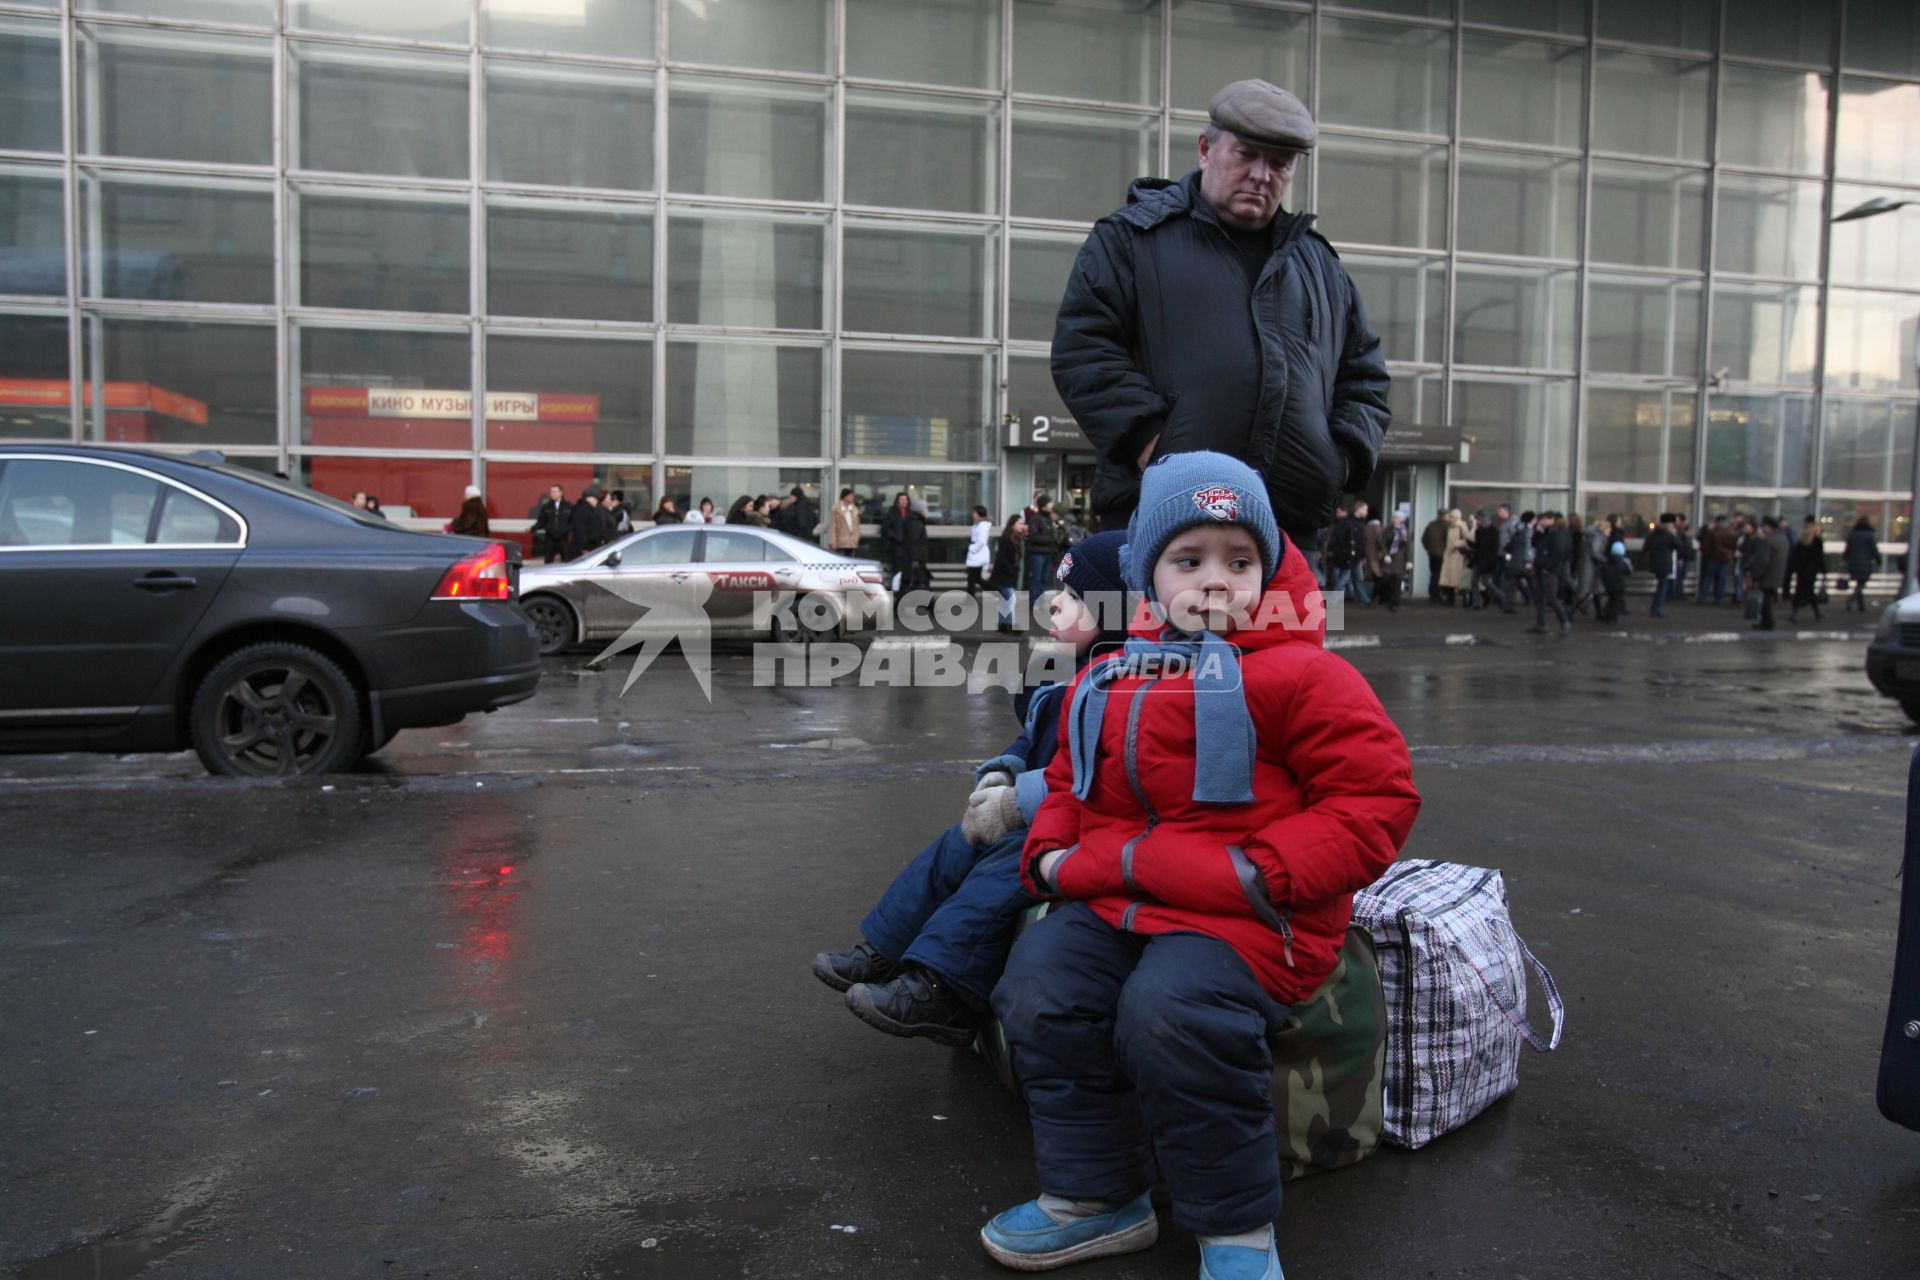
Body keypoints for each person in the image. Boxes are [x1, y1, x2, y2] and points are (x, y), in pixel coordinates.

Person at [983, 451, 1418, 1280]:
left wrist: (1267, 874)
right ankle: (1098, 1199)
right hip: (1122, 896)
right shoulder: (1110, 676)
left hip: (1250, 915)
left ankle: (1237, 1234)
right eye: (1190, 560)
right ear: (1150, 576)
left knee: (1174, 1010)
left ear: (1269, 570)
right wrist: (1047, 858)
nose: (1216, 581)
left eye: (1240, 560)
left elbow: (1375, 801)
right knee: (1039, 982)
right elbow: (1075, 782)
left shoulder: (1305, 676)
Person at [814, 534, 1132, 1044]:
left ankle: (943, 988)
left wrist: (1016, 803)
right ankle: (887, 950)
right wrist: (1003, 770)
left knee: (1008, 864)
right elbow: (1031, 740)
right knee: (956, 845)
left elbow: (1099, 777)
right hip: (1046, 809)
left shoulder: (1122, 691)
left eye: (1074, 596)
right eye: (1060, 589)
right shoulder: (1063, 672)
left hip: (1084, 827)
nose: (1054, 601)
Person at [1050, 79, 1390, 556]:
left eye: (1279, 163)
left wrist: (1341, 462)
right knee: (1150, 636)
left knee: (1282, 636)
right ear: (1206, 148)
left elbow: (1365, 375)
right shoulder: (1131, 240)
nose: (1261, 174)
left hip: (1287, 536)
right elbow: (1083, 350)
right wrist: (1154, 444)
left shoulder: (1321, 266)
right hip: (1159, 526)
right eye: (1246, 154)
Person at [1527, 511, 1571, 635]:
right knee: (1539, 598)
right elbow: (1534, 544)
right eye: (1541, 520)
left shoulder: (1557, 534)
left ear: (1552, 520)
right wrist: (1537, 531)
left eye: (1544, 520)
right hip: (1539, 568)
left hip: (1549, 570)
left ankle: (1564, 622)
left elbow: (1558, 553)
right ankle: (1541, 624)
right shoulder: (1545, 532)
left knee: (1552, 598)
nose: (1541, 522)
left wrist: (1549, 568)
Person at [1747, 515, 1790, 631]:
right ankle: (1767, 621)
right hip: (1778, 573)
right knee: (1768, 598)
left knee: (1765, 600)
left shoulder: (1767, 540)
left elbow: (1761, 560)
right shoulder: (1783, 539)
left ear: (1767, 526)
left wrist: (1754, 576)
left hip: (1767, 574)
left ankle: (1767, 622)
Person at [988, 514, 1026, 632]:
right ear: (1012, 524)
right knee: (1011, 600)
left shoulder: (1018, 538)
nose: (1022, 526)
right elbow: (1001, 558)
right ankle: (1013, 625)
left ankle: (1002, 625)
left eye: (1022, 523)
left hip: (1010, 574)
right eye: (1020, 523)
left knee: (1004, 601)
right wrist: (1010, 569)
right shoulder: (1006, 538)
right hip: (1004, 575)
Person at [1788, 515, 1827, 624]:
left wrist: (1794, 568)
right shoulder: (1817, 541)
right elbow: (1820, 557)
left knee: (1801, 591)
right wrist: (1823, 571)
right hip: (1811, 570)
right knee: (1809, 591)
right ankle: (1815, 613)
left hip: (1802, 569)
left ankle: (1796, 613)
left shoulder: (1803, 539)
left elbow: (1796, 555)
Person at [1643, 514, 1679, 618]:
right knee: (1662, 587)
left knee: (1660, 585)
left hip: (1654, 562)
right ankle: (1656, 609)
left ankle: (1655, 607)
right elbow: (1679, 545)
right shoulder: (1669, 536)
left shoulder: (1652, 535)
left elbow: (1646, 547)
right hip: (1665, 563)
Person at [1026, 496, 1058, 606]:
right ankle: (1034, 601)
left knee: (1044, 579)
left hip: (1048, 553)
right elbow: (1033, 537)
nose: (1052, 505)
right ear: (1044, 505)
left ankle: (1040, 601)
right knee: (1036, 578)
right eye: (1050, 503)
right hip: (1037, 554)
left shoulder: (1049, 519)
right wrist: (1050, 539)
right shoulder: (1035, 519)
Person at [1844, 516, 1882, 612]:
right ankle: (1851, 599)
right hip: (1865, 562)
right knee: (1861, 583)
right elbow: (1873, 549)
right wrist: (1878, 560)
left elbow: (1847, 549)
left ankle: (1861, 605)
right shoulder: (1869, 535)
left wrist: (1845, 560)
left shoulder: (1852, 534)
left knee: (1859, 583)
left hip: (1853, 562)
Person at [1697, 514, 1736, 604]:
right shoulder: (1731, 533)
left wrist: (1708, 555)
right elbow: (1733, 546)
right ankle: (1719, 598)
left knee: (1708, 578)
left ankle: (1702, 597)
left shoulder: (1712, 533)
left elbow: (1705, 546)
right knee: (1722, 579)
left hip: (1712, 558)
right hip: (1725, 559)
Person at [881, 492, 914, 590]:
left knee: (907, 569)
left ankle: (906, 589)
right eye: (901, 500)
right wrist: (896, 537)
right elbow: (885, 529)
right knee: (897, 569)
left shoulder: (911, 514)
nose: (904, 502)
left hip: (908, 546)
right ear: (897, 501)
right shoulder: (891, 513)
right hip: (896, 546)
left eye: (905, 500)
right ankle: (896, 589)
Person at [565, 484, 607, 560]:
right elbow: (580, 528)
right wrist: (585, 546)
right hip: (582, 550)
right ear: (589, 498)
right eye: (595, 499)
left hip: (590, 547)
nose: (597, 501)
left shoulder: (590, 509)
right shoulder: (583, 509)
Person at [530, 484, 570, 563]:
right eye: (551, 492)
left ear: (561, 493)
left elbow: (572, 521)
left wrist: (567, 529)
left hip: (563, 538)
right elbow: (541, 521)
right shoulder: (546, 507)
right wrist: (532, 529)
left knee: (566, 560)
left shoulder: (568, 507)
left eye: (554, 492)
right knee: (548, 560)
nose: (552, 494)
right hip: (550, 538)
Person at [1379, 511, 1409, 613]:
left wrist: (1409, 560)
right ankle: (1388, 601)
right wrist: (1385, 555)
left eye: (1397, 518)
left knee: (1397, 582)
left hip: (1400, 560)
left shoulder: (1405, 531)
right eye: (1395, 517)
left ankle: (1395, 603)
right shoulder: (1388, 530)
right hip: (1389, 559)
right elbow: (1382, 543)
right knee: (1388, 581)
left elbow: (1408, 547)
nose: (1395, 519)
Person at [1597, 539, 1630, 624]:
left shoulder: (1607, 562)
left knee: (1611, 600)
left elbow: (1602, 571)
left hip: (1609, 585)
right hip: (1619, 585)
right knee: (1616, 602)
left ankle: (1607, 614)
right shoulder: (1622, 563)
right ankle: (1612, 618)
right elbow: (1628, 571)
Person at [1438, 508, 1467, 605]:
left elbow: (1467, 539)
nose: (1449, 517)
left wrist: (1456, 544)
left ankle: (1461, 597)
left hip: (1456, 555)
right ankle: (1449, 599)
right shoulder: (1450, 526)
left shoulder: (1461, 526)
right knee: (1448, 580)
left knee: (1455, 579)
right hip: (1448, 555)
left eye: (1451, 516)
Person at [1421, 510, 1450, 602]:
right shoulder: (1447, 526)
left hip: (1432, 553)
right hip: (1442, 553)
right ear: (1444, 515)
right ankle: (1437, 594)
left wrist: (1428, 548)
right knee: (1439, 575)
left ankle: (1432, 593)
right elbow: (1449, 540)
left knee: (1434, 574)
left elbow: (1423, 538)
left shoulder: (1431, 525)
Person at [966, 505, 994, 594]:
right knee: (973, 578)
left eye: (974, 512)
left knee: (976, 578)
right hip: (975, 554)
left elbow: (981, 541)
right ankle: (970, 599)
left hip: (978, 554)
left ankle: (996, 590)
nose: (972, 514)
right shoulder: (978, 524)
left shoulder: (983, 525)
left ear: (979, 514)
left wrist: (972, 548)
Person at [828, 488, 862, 556]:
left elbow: (856, 527)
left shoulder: (855, 510)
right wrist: (833, 542)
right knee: (841, 562)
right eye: (850, 496)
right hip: (840, 543)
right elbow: (832, 527)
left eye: (852, 496)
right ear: (844, 497)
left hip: (852, 542)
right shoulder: (836, 510)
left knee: (851, 562)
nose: (852, 497)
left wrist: (857, 538)